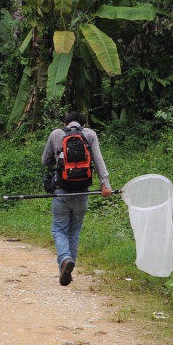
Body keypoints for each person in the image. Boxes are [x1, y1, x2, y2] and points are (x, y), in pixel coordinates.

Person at [42, 110, 112, 286]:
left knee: (59, 230)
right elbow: (98, 160)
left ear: (65, 124)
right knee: (74, 232)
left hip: (62, 191)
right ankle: (66, 269)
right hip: (83, 192)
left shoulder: (56, 134)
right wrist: (106, 184)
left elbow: (45, 160)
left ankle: (65, 260)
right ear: (84, 125)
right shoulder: (89, 134)